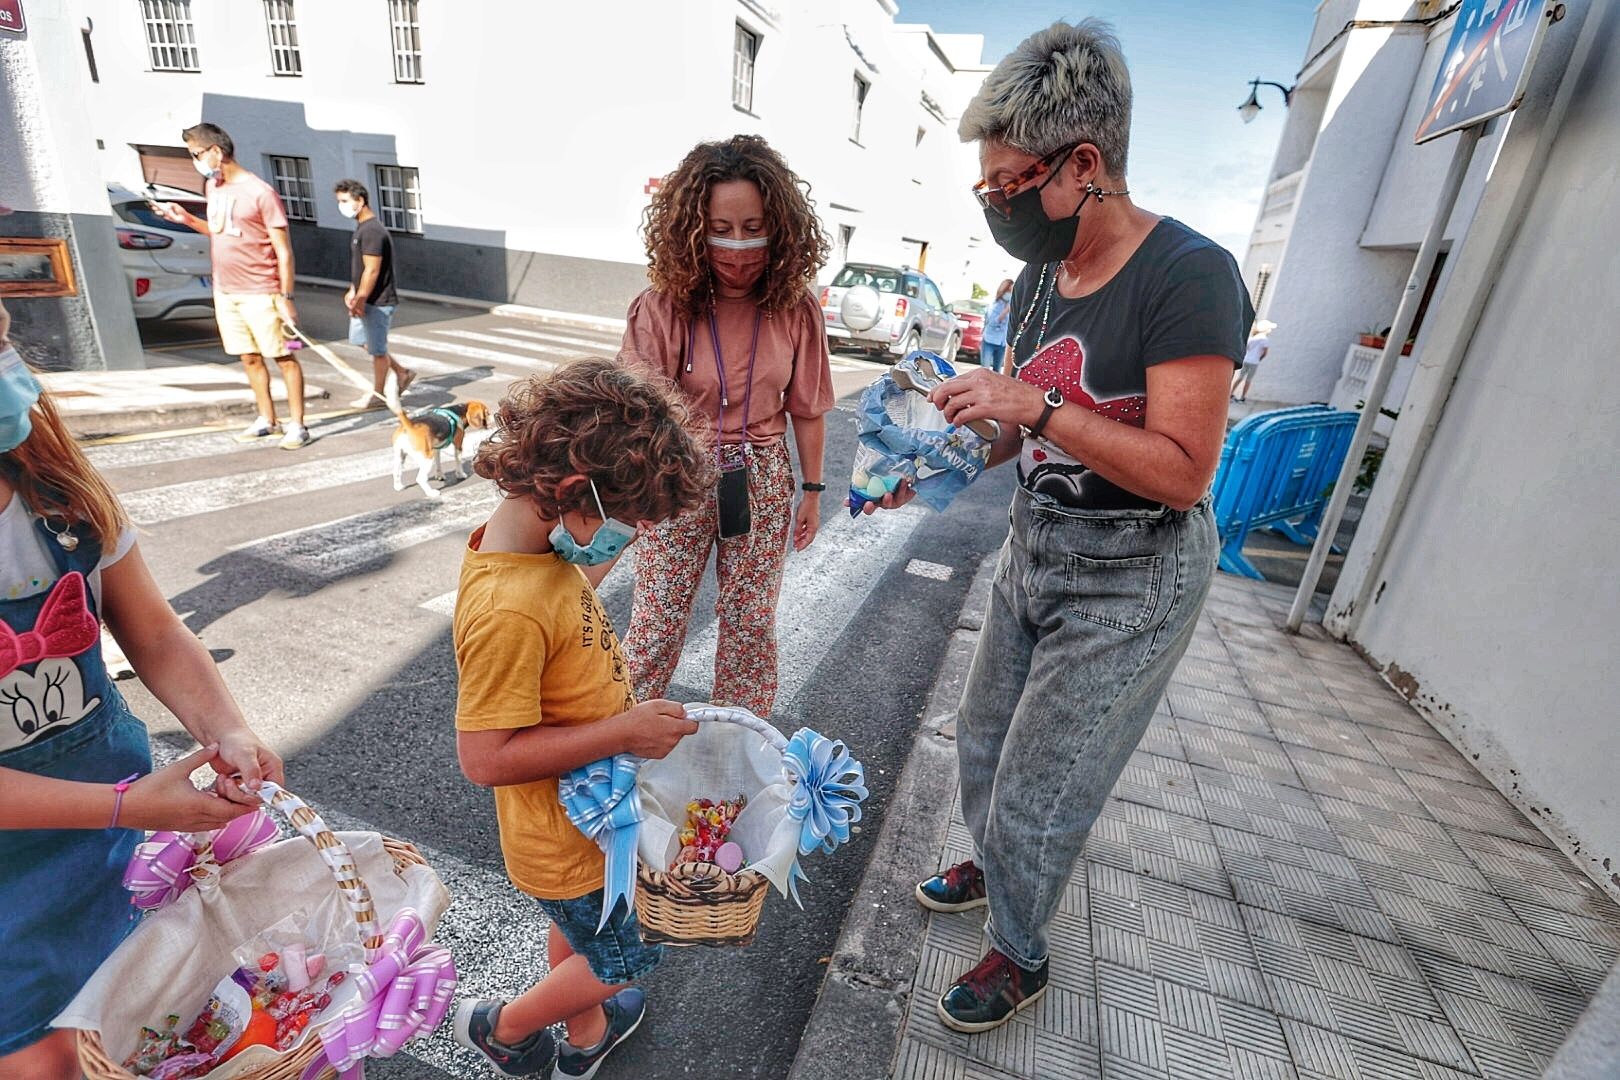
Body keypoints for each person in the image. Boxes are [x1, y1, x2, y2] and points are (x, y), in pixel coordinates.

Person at [858, 21, 1253, 1034]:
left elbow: (1182, 472)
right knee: (984, 738)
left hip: (1136, 572)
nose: (995, 206)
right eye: (984, 189)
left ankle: (1022, 954)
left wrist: (1034, 410)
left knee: (1047, 779)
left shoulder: (1188, 277)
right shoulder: (1044, 276)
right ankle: (994, 864)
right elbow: (1016, 433)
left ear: (1084, 166)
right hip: (1037, 543)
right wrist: (932, 464)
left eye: (1008, 184)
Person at [0, 298, 283, 1078]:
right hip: (10, 894)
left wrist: (226, 727)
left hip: (120, 836)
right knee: (53, 1059)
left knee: (155, 1031)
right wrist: (130, 805)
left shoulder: (58, 493)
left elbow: (154, 632)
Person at [450, 358, 713, 1077]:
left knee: (581, 936)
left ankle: (588, 1035)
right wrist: (625, 733)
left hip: (583, 822)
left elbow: (567, 590)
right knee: (635, 948)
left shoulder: (538, 552)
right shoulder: (508, 608)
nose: (630, 538)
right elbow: (484, 758)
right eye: (628, 525)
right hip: (563, 838)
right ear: (573, 492)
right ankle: (505, 1028)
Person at [617, 135, 835, 718]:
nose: (738, 248)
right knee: (655, 625)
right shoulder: (661, 306)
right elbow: (633, 419)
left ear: (781, 227)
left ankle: (739, 758)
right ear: (692, 227)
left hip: (760, 476)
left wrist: (812, 490)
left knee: (749, 627)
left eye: (753, 227)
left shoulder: (796, 307)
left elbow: (807, 407)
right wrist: (628, 502)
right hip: (675, 475)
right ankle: (618, 752)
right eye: (721, 228)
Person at [153, 123, 310, 449]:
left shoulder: (261, 193)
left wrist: (286, 296)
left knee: (285, 357)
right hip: (226, 292)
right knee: (249, 357)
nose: (194, 160)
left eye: (196, 154)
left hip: (263, 292)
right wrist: (185, 219)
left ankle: (298, 424)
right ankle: (267, 419)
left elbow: (284, 250)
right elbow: (218, 231)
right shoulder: (215, 188)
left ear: (216, 151)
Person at [334, 179, 415, 409]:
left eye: (344, 201)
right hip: (365, 299)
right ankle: (402, 372)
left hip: (378, 301)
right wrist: (353, 290)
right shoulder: (362, 227)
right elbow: (361, 267)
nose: (341, 206)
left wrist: (360, 299)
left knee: (378, 350)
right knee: (361, 340)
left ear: (360, 200)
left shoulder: (372, 231)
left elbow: (372, 269)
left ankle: (378, 396)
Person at [1232, 319, 1274, 402]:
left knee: (1240, 377)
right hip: (1254, 362)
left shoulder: (1252, 338)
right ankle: (1242, 397)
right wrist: (1259, 359)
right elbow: (1264, 353)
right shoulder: (1265, 340)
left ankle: (1231, 393)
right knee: (1248, 380)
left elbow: (1247, 348)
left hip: (1246, 359)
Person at [979, 278, 1014, 373]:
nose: (1010, 294)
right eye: (1008, 291)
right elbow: (992, 322)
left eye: (1012, 291)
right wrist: (1005, 312)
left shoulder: (1013, 305)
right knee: (985, 370)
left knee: (997, 372)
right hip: (989, 340)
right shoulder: (995, 304)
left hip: (1002, 343)